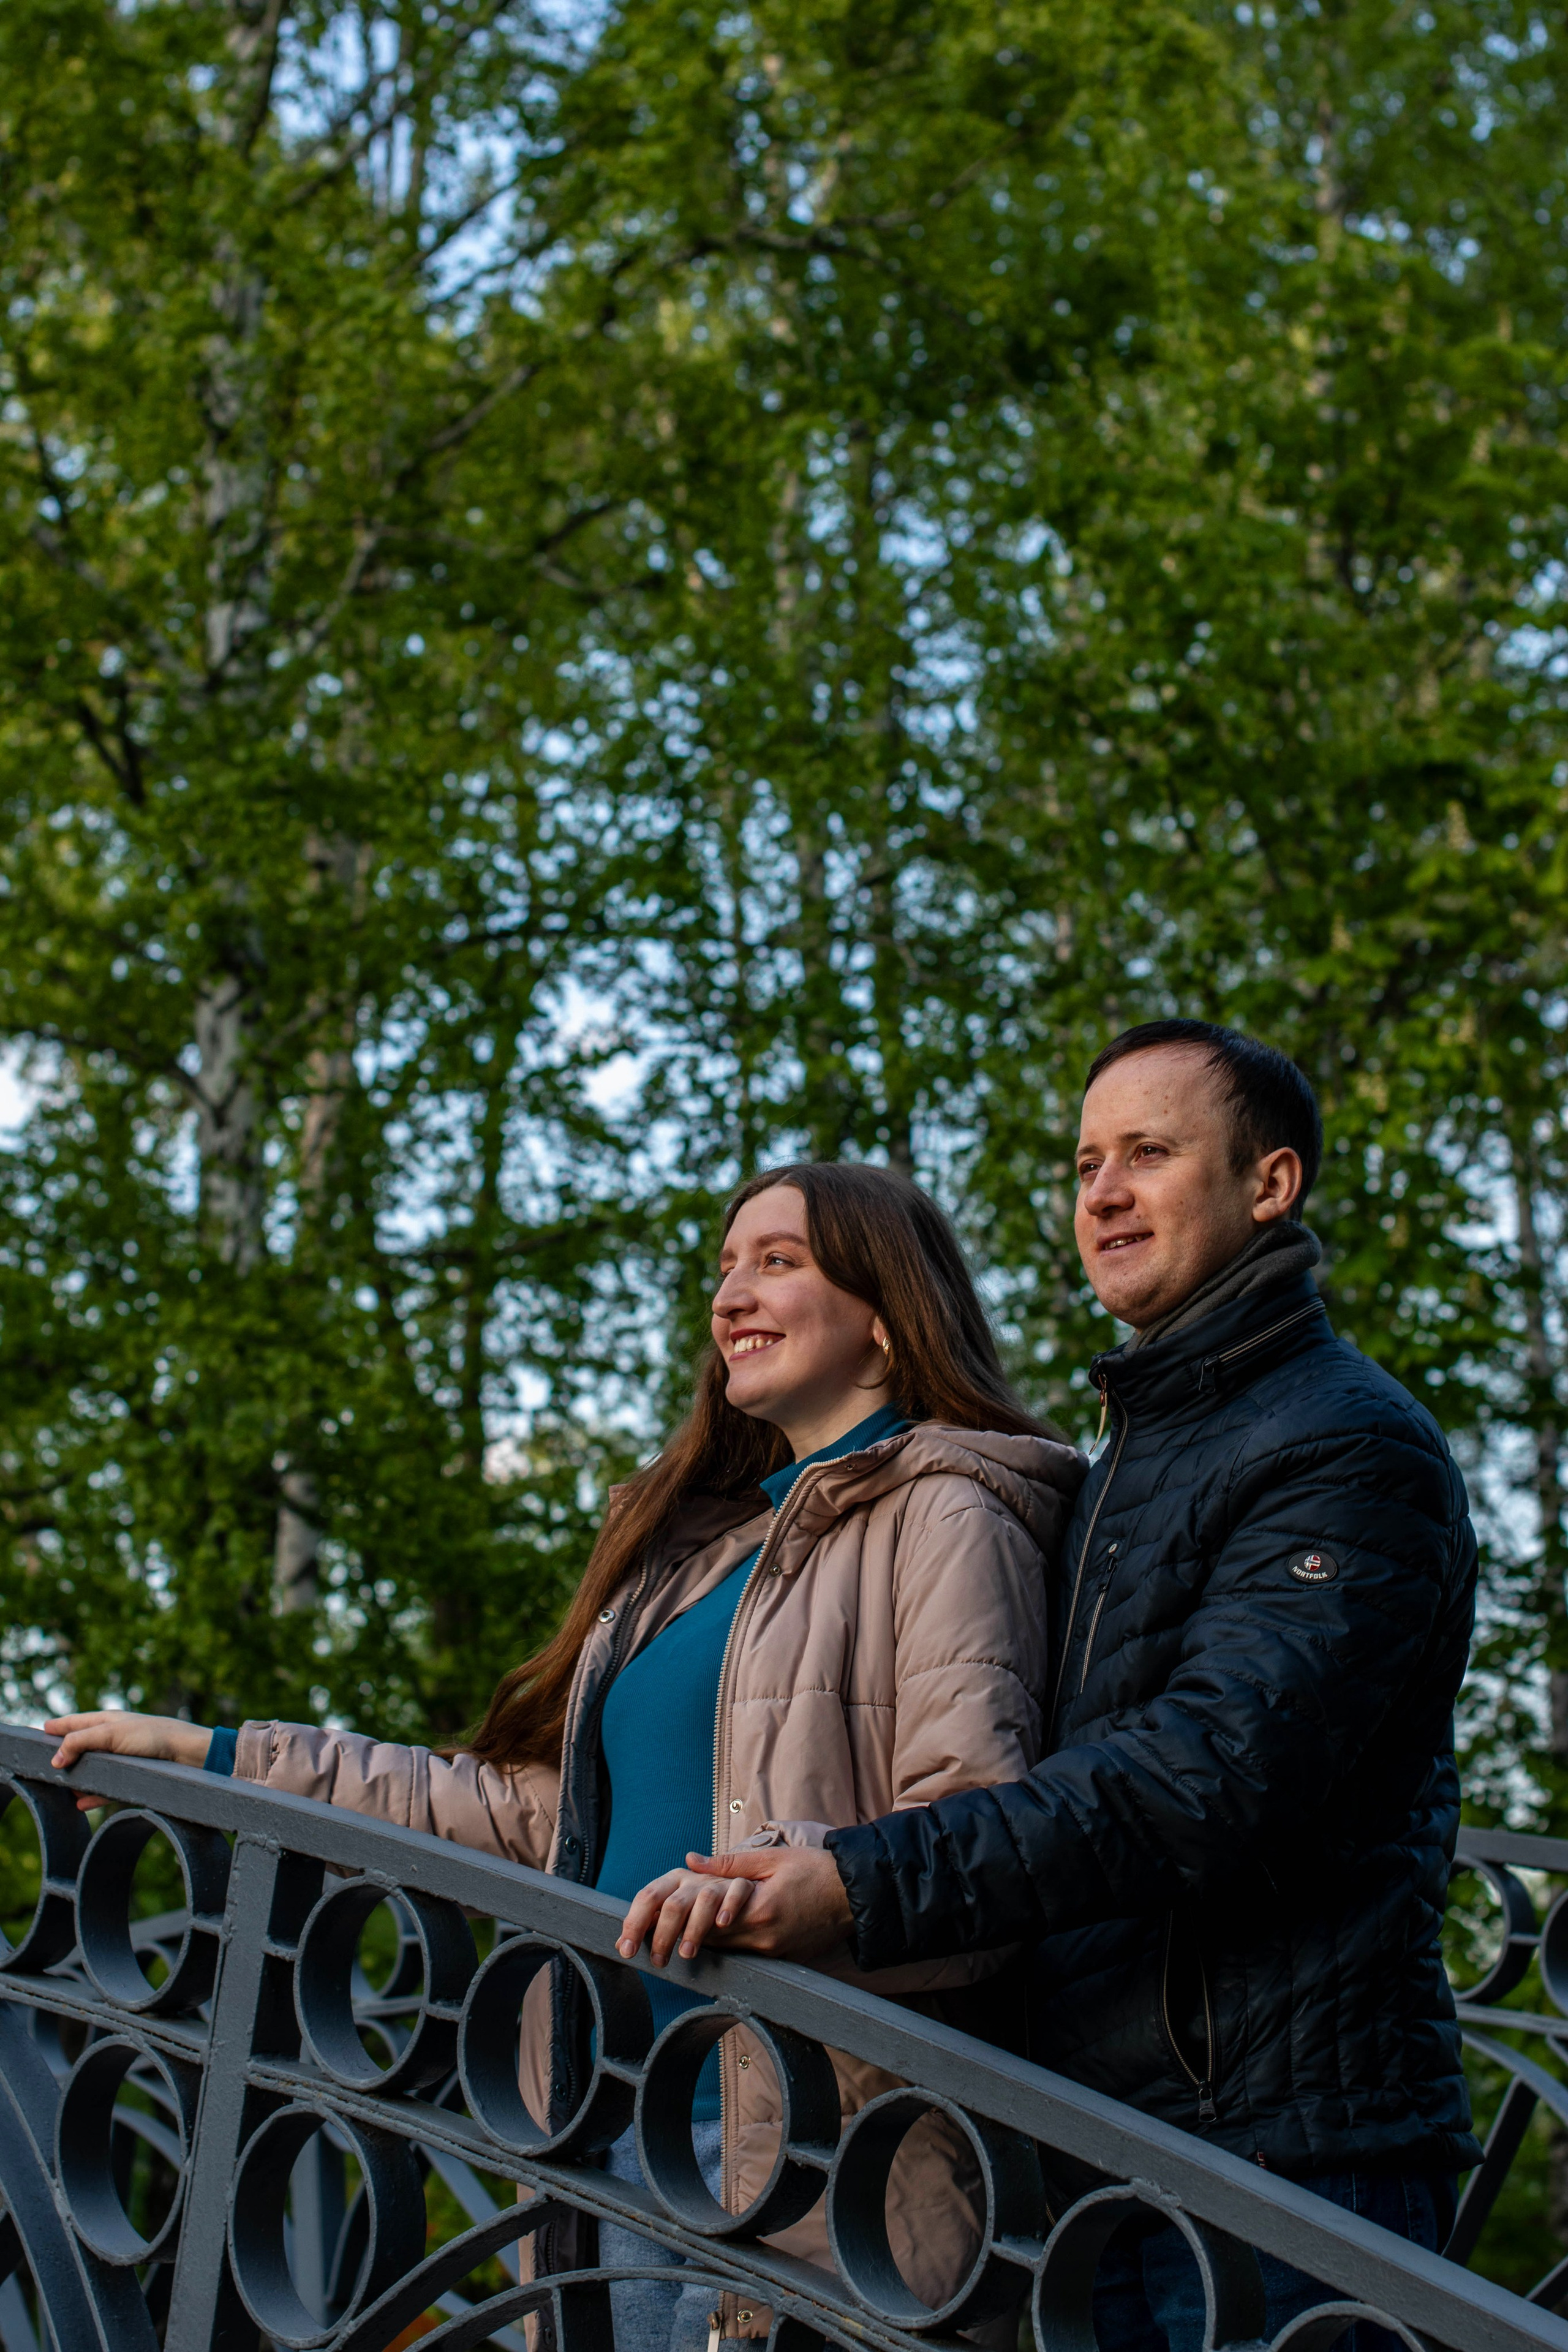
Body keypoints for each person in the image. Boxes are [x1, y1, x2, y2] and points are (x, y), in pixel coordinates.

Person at [48, 1159, 1084, 2351]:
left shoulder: (948, 1512)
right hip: (601, 2136)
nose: (730, 1294)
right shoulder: (694, 1562)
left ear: (889, 1322)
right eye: (723, 1268)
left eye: (778, 1261)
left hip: (807, 2161)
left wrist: (785, 1878)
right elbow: (535, 1818)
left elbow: (983, 1843)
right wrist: (216, 1755)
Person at [622, 1023, 1482, 2352]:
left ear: (1269, 1184)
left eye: (1148, 1153)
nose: (1103, 1193)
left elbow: (1197, 1783)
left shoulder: (1344, 1446)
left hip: (1282, 2160)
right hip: (1098, 2152)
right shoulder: (1126, 1460)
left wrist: (855, 1881)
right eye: (1086, 1162)